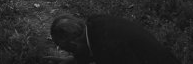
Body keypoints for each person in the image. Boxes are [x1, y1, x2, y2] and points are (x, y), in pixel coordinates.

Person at [49, 13, 181, 64]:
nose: (72, 53)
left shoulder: (106, 50)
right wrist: (75, 60)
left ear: (73, 45)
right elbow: (90, 46)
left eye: (70, 50)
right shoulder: (96, 22)